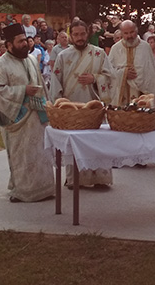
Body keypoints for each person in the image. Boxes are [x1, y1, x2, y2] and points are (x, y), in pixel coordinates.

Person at [0, 24, 55, 203]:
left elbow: (41, 83)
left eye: (25, 40)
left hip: (37, 116)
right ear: (9, 45)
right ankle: (23, 191)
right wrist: (23, 90)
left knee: (41, 153)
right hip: (17, 118)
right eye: (20, 42)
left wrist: (48, 105)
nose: (25, 44)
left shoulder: (31, 59)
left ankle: (45, 188)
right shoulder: (0, 65)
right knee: (22, 156)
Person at [50, 21, 114, 188]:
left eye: (82, 34)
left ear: (88, 34)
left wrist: (95, 79)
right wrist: (58, 105)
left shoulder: (99, 54)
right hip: (71, 109)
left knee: (98, 142)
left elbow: (111, 77)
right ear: (71, 36)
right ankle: (75, 179)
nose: (79, 38)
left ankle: (100, 178)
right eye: (76, 34)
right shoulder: (63, 56)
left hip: (94, 108)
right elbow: (55, 81)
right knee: (73, 144)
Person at [108, 20, 155, 106]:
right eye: (126, 33)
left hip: (142, 94)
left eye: (132, 32)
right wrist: (124, 73)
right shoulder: (115, 49)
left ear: (136, 30)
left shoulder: (145, 47)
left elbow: (151, 73)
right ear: (121, 33)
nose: (129, 36)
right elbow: (109, 72)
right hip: (122, 97)